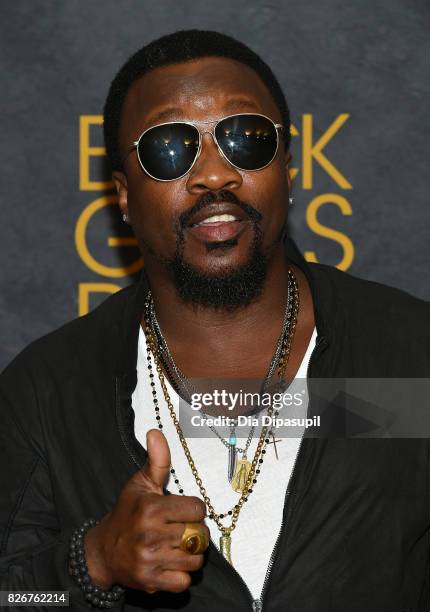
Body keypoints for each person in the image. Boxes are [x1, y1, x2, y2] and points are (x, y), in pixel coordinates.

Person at [0, 29, 429, 612]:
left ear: (287, 164)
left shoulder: (409, 355)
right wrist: (93, 561)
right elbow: (18, 595)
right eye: (169, 149)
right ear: (122, 195)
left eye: (245, 139)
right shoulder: (48, 391)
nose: (213, 175)